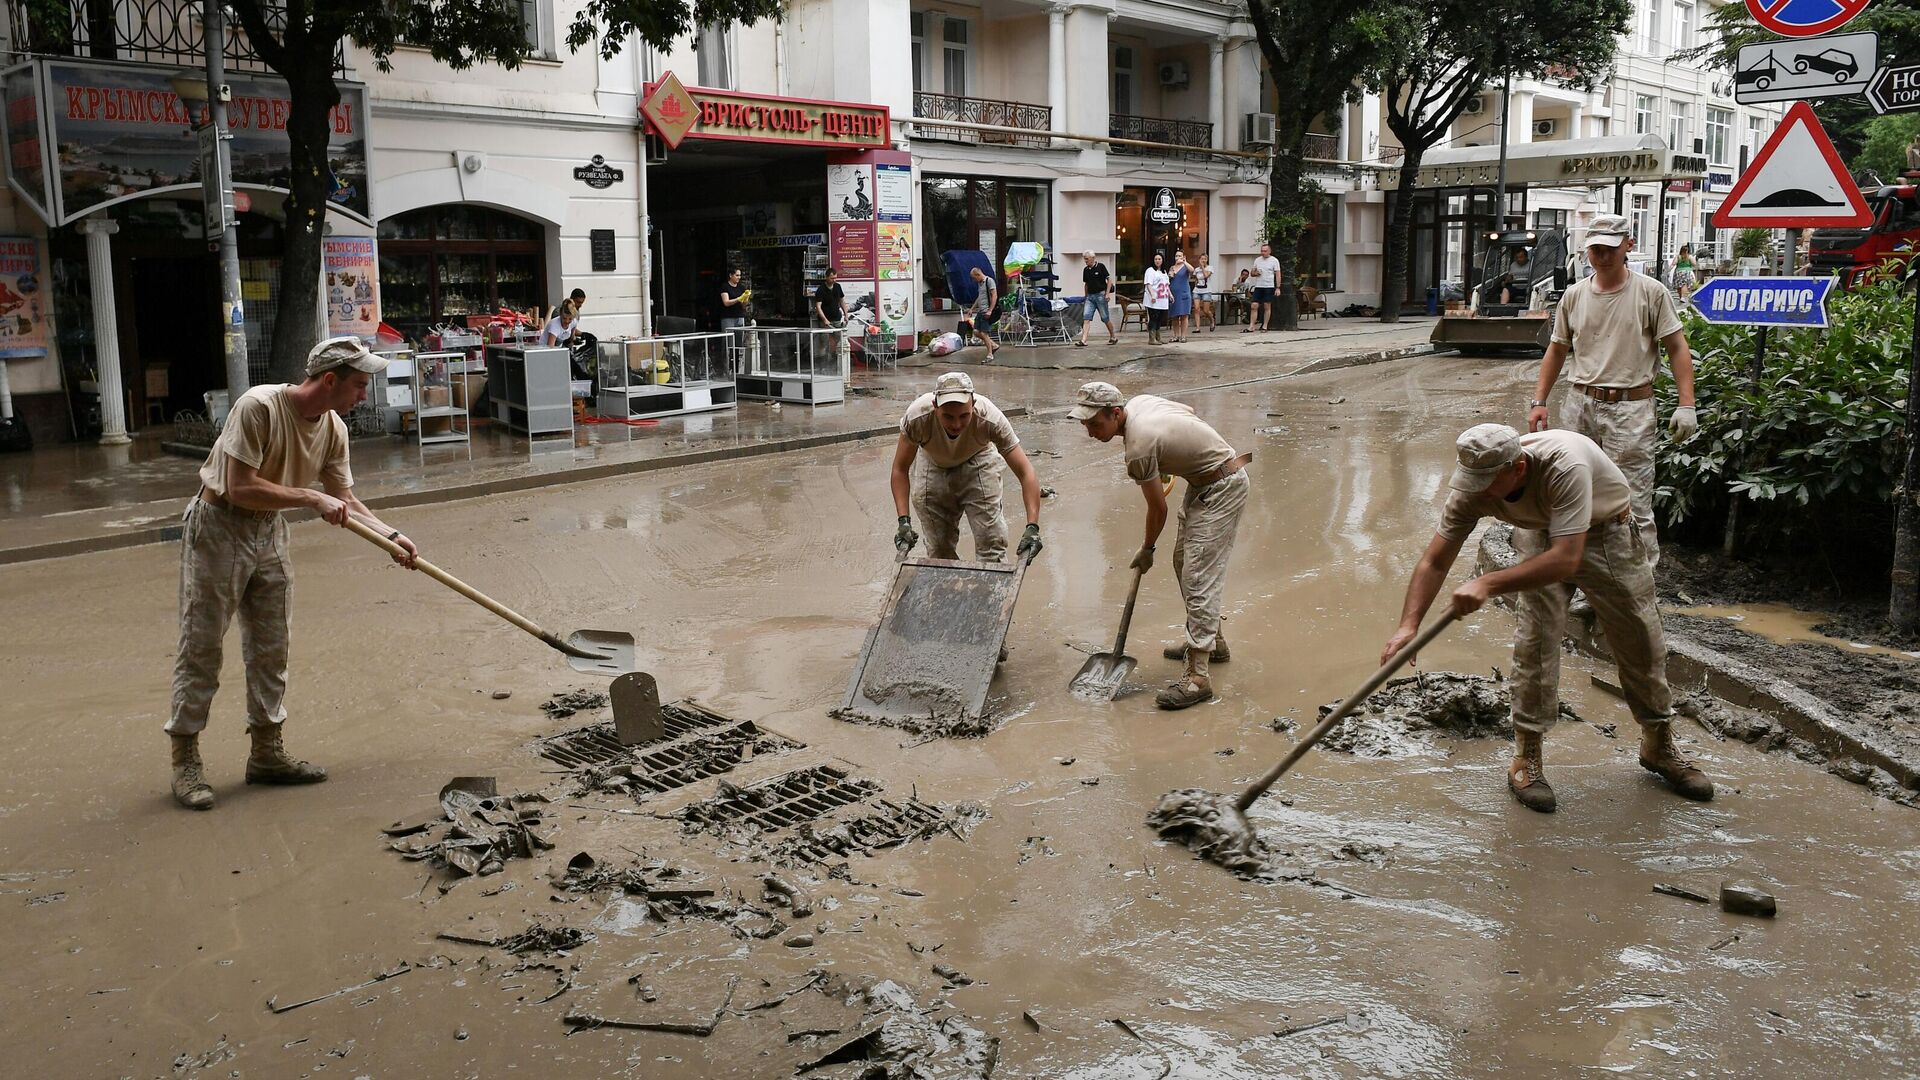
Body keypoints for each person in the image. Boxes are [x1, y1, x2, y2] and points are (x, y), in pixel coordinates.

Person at [1381, 424, 1713, 812]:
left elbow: (1565, 559)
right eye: (1472, 480)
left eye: (1488, 482)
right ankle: (1527, 755)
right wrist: (1408, 625)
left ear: (1518, 469)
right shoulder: (1474, 489)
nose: (1479, 491)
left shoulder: (1564, 466)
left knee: (1641, 641)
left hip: (1605, 535)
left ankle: (1658, 745)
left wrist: (1488, 583)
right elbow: (1435, 560)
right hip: (1538, 534)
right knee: (1534, 644)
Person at [166, 337, 420, 811]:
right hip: (218, 525)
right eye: (359, 386)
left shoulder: (334, 429)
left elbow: (344, 499)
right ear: (330, 380)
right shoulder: (258, 407)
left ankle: (266, 753)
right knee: (201, 645)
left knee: (272, 644)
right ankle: (185, 757)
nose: (363, 396)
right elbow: (240, 487)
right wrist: (308, 497)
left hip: (269, 532)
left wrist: (391, 535)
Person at [1528, 213, 1697, 567]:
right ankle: (1587, 581)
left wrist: (1687, 405)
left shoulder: (1650, 293)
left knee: (1631, 500)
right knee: (1573, 493)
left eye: (1610, 248)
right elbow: (1557, 349)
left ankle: (1637, 585)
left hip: (1630, 410)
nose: (1602, 256)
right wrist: (1539, 401)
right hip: (1580, 404)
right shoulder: (1574, 296)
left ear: (1628, 247)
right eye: (1595, 250)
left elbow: (1677, 347)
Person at [1071, 382, 1250, 710]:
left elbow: (1158, 510)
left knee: (1198, 577)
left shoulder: (1138, 448)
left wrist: (1147, 549)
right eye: (1085, 424)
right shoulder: (1140, 403)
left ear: (1116, 413)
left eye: (1095, 424)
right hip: (1204, 481)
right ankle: (1214, 642)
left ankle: (1198, 678)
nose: (1090, 432)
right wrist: (1170, 461)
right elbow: (1188, 415)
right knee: (1184, 562)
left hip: (1222, 487)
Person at [892, 371, 1043, 567]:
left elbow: (1025, 471)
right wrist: (903, 521)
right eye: (948, 416)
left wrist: (1033, 526)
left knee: (991, 542)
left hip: (979, 460)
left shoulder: (990, 418)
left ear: (973, 404)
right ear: (935, 406)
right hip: (933, 463)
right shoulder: (917, 417)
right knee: (938, 549)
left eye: (964, 416)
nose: (956, 424)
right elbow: (899, 470)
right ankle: (946, 590)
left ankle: (990, 591)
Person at [1077, 250, 1119, 347]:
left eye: (1087, 259)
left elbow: (1109, 280)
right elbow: (1086, 284)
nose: (1085, 261)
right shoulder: (1086, 270)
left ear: (1092, 258)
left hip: (1100, 295)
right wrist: (1085, 296)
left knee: (1105, 318)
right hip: (1090, 297)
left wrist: (1107, 294)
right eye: (1084, 259)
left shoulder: (1101, 267)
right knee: (1086, 318)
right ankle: (1083, 340)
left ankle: (1113, 336)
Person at [965, 266, 1001, 361]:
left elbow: (994, 296)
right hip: (981, 311)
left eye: (974, 277)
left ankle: (990, 354)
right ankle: (993, 345)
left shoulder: (989, 281)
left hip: (987, 311)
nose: (974, 280)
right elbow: (979, 297)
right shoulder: (980, 284)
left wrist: (990, 310)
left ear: (978, 274)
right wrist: (972, 308)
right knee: (976, 332)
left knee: (984, 333)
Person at [1248, 242, 1281, 332]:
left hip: (1269, 286)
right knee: (1254, 305)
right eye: (1262, 251)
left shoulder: (1274, 260)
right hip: (1259, 286)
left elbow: (1278, 274)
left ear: (1269, 251)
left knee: (1267, 306)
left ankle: (1265, 325)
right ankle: (1251, 325)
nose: (1263, 253)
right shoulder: (1257, 260)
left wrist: (1278, 287)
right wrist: (1255, 273)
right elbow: (1252, 273)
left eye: (1265, 251)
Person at [1142, 253, 1171, 346]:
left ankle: (1158, 337)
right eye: (1155, 259)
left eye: (1159, 259)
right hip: (1153, 300)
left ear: (1162, 260)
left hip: (1163, 299)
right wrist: (1152, 295)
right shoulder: (1150, 271)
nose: (1157, 261)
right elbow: (1148, 284)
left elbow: (1166, 285)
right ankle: (1151, 338)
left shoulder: (1164, 272)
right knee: (1153, 318)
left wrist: (1170, 294)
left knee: (1160, 318)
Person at [1168, 251, 1193, 343]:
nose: (1177, 257)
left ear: (1183, 257)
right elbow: (1168, 280)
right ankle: (1176, 335)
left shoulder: (1185, 267)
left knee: (1184, 315)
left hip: (1184, 293)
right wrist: (1170, 275)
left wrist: (1184, 262)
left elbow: (1192, 270)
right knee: (1174, 316)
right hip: (1174, 294)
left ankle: (1183, 336)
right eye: (1176, 256)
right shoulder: (1172, 267)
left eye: (1179, 256)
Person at [1192, 255, 1215, 331]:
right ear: (1199, 260)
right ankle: (1198, 328)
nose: (1203, 260)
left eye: (1205, 259)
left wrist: (1202, 268)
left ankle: (1212, 320)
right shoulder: (1196, 269)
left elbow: (1206, 276)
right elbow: (1195, 279)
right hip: (1197, 290)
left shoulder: (1210, 268)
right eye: (1202, 259)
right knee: (1196, 308)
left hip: (1206, 290)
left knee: (1205, 310)